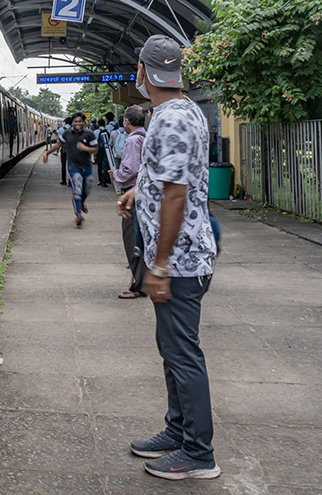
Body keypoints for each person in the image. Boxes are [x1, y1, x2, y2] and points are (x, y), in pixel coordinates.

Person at [117, 35, 220, 480]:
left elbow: (177, 195)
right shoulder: (182, 111)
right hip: (182, 257)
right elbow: (175, 177)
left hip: (179, 262)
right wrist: (138, 191)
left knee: (182, 354)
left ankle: (198, 453)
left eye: (137, 69)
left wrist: (158, 266)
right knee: (172, 349)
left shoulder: (172, 120)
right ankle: (177, 431)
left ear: (143, 72)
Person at [111, 105, 147, 299]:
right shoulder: (145, 136)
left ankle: (139, 285)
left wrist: (116, 174)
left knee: (132, 239)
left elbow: (131, 169)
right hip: (143, 194)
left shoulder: (133, 140)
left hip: (133, 195)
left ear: (127, 121)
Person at [43, 112, 97, 227]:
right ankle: (78, 214)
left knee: (87, 189)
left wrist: (85, 148)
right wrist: (47, 153)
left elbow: (95, 150)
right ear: (72, 122)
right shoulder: (67, 134)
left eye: (80, 121)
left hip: (87, 166)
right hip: (73, 167)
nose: (78, 123)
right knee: (77, 189)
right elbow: (58, 145)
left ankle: (81, 202)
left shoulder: (90, 134)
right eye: (76, 121)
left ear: (84, 122)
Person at [56, 116, 72, 185]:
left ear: (65, 123)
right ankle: (70, 182)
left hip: (64, 149)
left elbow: (59, 140)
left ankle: (63, 180)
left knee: (63, 165)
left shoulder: (61, 129)